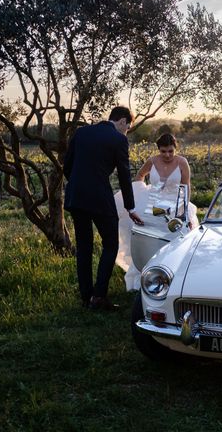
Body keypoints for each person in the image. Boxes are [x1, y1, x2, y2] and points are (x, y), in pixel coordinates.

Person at [63, 106, 144, 311]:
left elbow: (67, 165)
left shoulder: (82, 132)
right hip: (100, 199)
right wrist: (130, 206)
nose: (126, 131)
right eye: (128, 127)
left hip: (76, 196)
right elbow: (125, 176)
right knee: (110, 243)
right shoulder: (118, 140)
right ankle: (99, 297)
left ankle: (86, 297)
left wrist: (78, 185)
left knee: (84, 246)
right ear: (123, 121)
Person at [115, 133, 199, 291]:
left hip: (174, 204)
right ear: (158, 150)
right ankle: (144, 277)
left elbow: (186, 186)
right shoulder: (152, 161)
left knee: (175, 237)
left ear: (175, 149)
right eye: (163, 151)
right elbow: (140, 175)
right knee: (145, 237)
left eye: (170, 151)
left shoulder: (182, 162)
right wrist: (141, 192)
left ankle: (172, 275)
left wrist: (184, 209)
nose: (167, 155)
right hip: (151, 203)